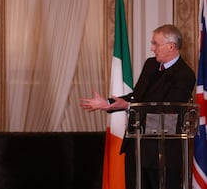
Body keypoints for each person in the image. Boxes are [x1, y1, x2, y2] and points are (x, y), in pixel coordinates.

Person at [80, 24, 195, 189]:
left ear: (171, 46)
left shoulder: (184, 74)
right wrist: (108, 103)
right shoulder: (151, 65)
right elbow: (137, 97)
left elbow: (168, 111)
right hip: (137, 148)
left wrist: (129, 105)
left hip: (163, 154)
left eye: (156, 44)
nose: (152, 48)